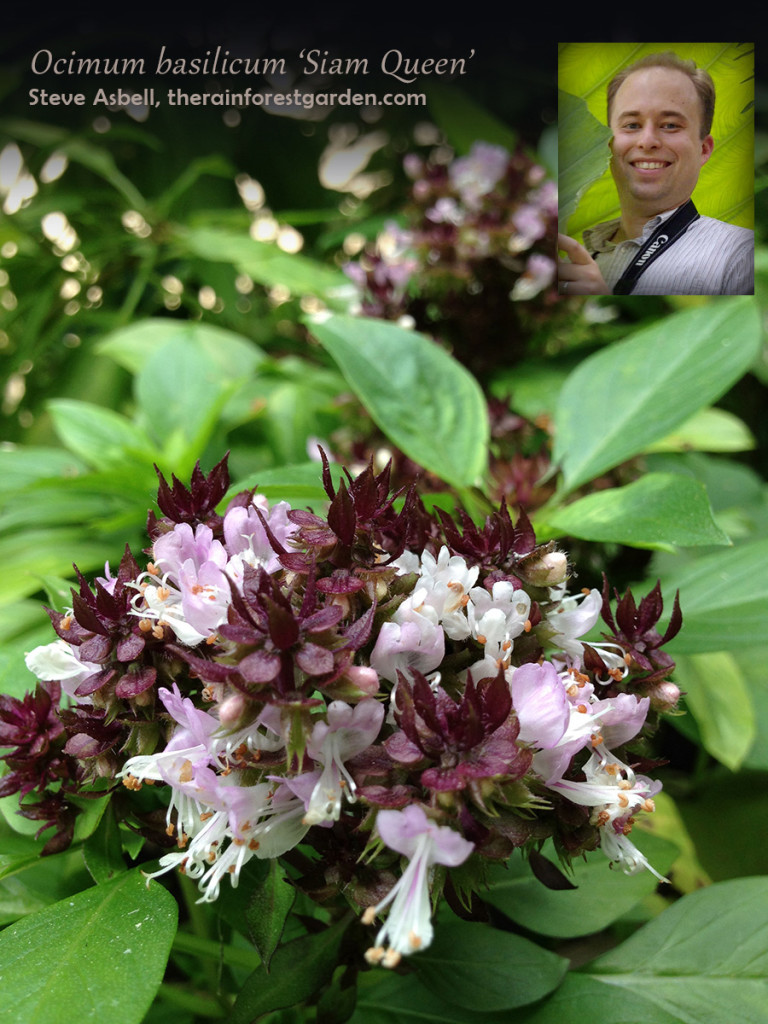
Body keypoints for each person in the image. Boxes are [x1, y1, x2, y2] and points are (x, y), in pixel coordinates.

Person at [558, 51, 754, 296]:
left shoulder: (741, 255)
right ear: (610, 146)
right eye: (631, 125)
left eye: (670, 125)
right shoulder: (575, 264)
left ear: (703, 149)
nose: (647, 141)